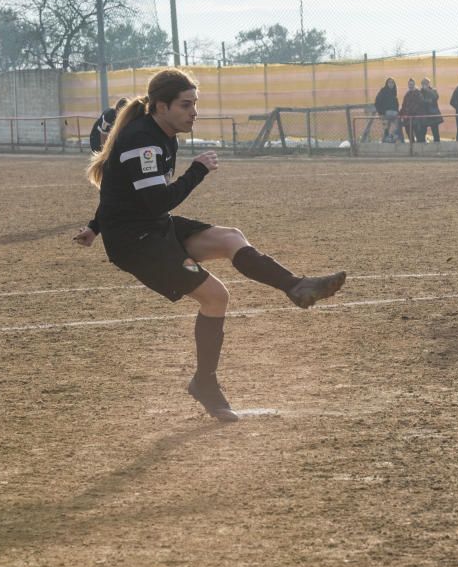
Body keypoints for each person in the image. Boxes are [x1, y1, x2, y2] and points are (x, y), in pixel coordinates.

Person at [72, 68, 346, 422]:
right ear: (160, 106)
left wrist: (95, 227)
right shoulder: (144, 142)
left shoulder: (160, 132)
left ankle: (297, 286)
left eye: (195, 103)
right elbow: (157, 201)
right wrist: (196, 171)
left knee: (231, 237)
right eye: (185, 105)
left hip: (153, 228)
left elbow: (117, 188)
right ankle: (205, 383)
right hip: (136, 243)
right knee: (216, 297)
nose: (194, 112)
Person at [374, 78, 401, 142]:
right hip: (386, 113)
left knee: (397, 125)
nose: (391, 84)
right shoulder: (383, 91)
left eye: (392, 83)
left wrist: (397, 111)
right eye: (389, 82)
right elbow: (377, 102)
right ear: (387, 83)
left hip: (394, 113)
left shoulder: (394, 91)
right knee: (388, 126)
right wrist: (381, 112)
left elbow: (396, 103)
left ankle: (391, 137)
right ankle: (389, 137)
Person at [399, 78, 425, 143]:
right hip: (408, 118)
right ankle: (412, 148)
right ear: (408, 85)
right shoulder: (407, 94)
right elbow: (403, 105)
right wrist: (400, 114)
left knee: (418, 135)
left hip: (416, 118)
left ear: (414, 85)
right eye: (409, 84)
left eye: (412, 84)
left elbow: (420, 104)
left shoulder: (418, 93)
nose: (411, 86)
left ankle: (419, 149)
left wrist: (411, 112)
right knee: (409, 134)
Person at [419, 77, 442, 144]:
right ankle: (422, 145)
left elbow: (435, 97)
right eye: (423, 83)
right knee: (422, 131)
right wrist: (429, 101)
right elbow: (421, 101)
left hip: (433, 114)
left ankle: (437, 146)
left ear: (429, 84)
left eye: (426, 83)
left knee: (435, 132)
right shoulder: (420, 92)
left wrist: (428, 91)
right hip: (424, 115)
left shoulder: (433, 91)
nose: (425, 85)